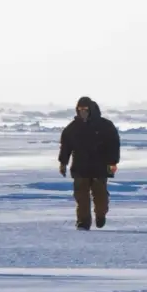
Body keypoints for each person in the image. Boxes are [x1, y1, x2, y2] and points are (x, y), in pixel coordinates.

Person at [58, 96, 121, 230]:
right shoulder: (73, 128)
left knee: (101, 197)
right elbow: (65, 146)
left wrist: (112, 163)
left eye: (85, 109)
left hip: (100, 168)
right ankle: (83, 222)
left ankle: (100, 215)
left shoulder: (105, 125)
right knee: (81, 198)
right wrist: (63, 162)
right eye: (80, 109)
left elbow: (114, 144)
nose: (83, 112)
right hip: (80, 168)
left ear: (91, 109)